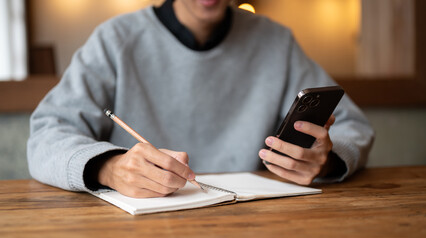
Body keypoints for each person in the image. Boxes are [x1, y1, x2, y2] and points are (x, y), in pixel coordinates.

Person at [27, 0, 374, 198]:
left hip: (254, 223)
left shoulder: (276, 42)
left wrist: (323, 160)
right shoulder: (115, 40)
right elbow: (45, 136)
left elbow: (352, 126)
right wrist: (108, 167)